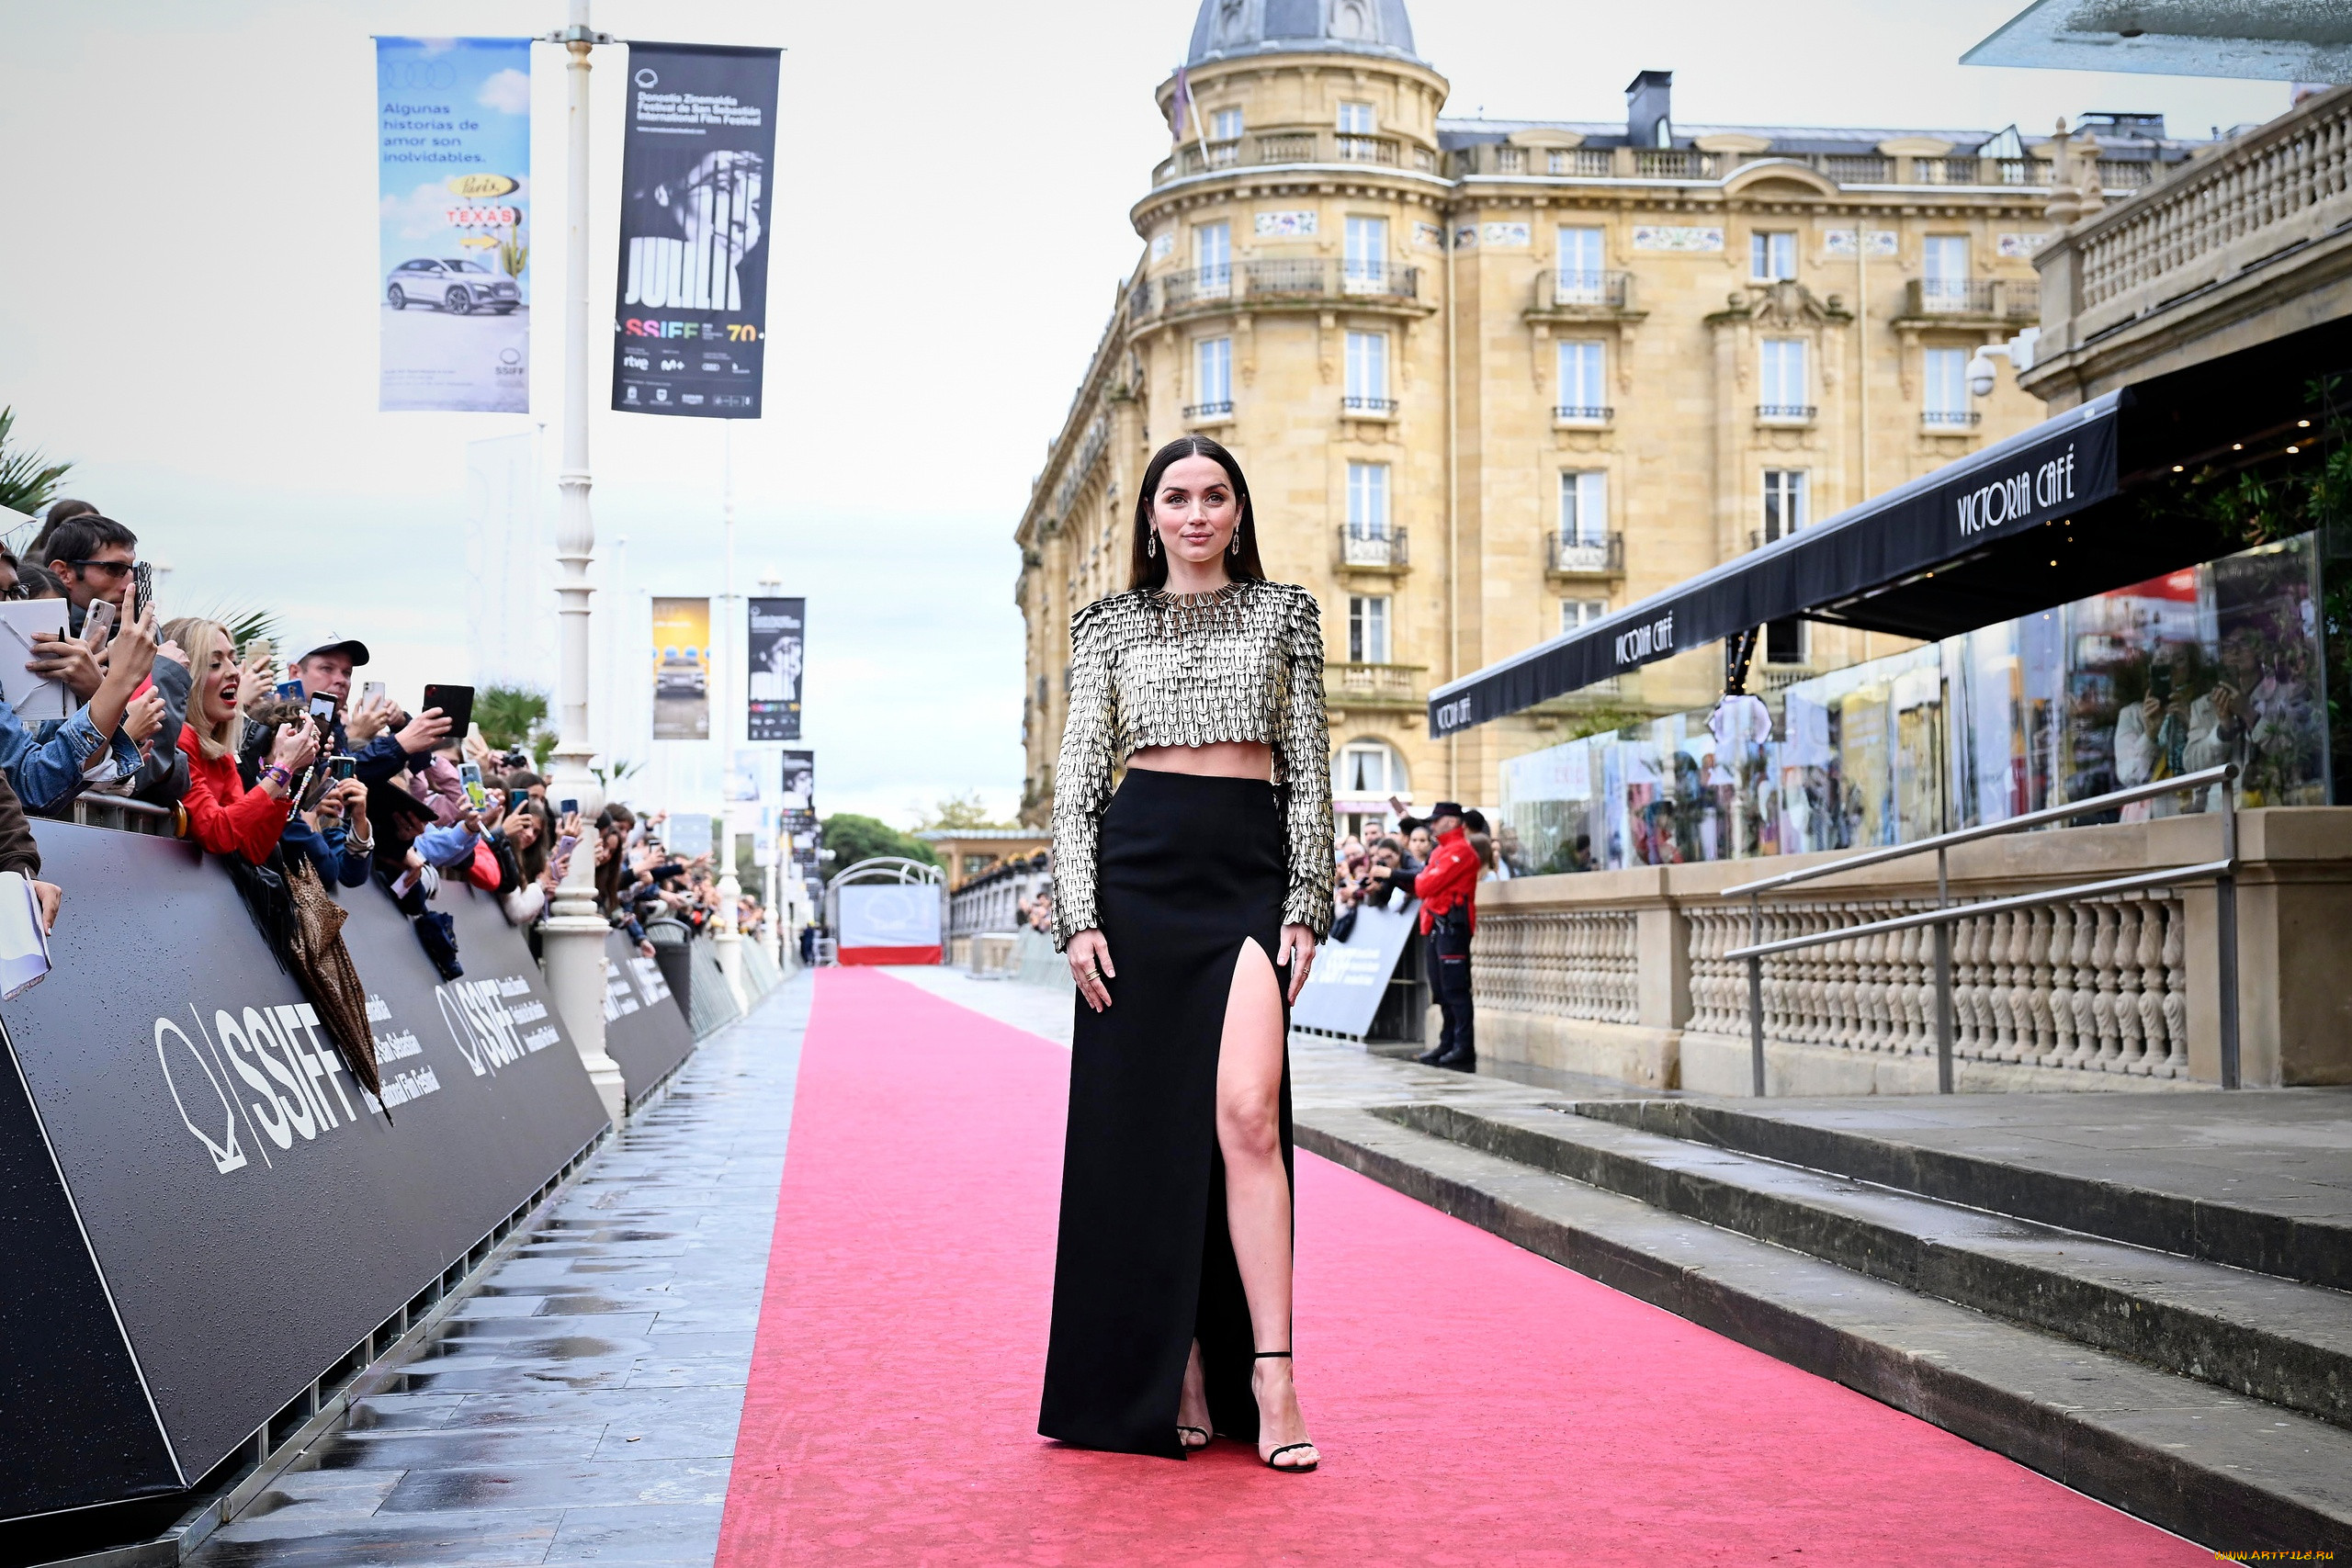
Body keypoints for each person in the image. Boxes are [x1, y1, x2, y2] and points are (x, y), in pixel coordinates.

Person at [1045, 434, 1329, 1472]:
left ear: (1239, 513)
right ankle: (1180, 1366)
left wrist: (1308, 898)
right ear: (1151, 516)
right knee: (1150, 1134)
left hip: (1245, 874)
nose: (1197, 513)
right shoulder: (1109, 625)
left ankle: (1274, 1371)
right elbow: (1077, 785)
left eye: (1215, 495)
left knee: (1248, 1115)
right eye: (1177, 496)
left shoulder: (1285, 614)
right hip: (1139, 874)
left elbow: (1309, 768)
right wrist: (1080, 913)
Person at [164, 618, 315, 864]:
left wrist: (283, 771)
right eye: (215, 663)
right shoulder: (179, 737)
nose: (234, 672)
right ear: (183, 677)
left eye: (232, 660)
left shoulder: (220, 753)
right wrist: (283, 768)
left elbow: (253, 847)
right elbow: (216, 833)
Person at [1399, 803, 1479, 1071]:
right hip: (1437, 925)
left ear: (1452, 821)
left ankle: (1463, 1046)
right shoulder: (1443, 851)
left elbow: (1425, 884)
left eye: (1437, 820)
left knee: (1455, 990)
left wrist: (1424, 878)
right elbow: (1424, 883)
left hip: (1452, 926)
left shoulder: (1460, 851)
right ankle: (1449, 1043)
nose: (1432, 825)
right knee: (1442, 990)